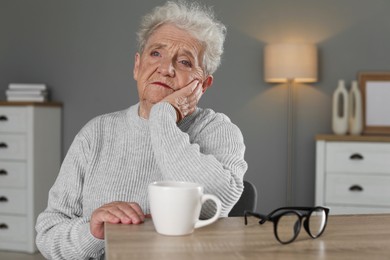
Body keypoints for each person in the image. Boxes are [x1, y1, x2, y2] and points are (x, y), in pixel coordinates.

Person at [35, 1, 248, 259]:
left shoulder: (218, 131)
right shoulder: (96, 133)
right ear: (137, 66)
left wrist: (162, 116)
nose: (166, 68)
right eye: (156, 54)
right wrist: (92, 232)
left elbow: (217, 200)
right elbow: (48, 234)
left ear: (203, 85)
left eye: (184, 62)